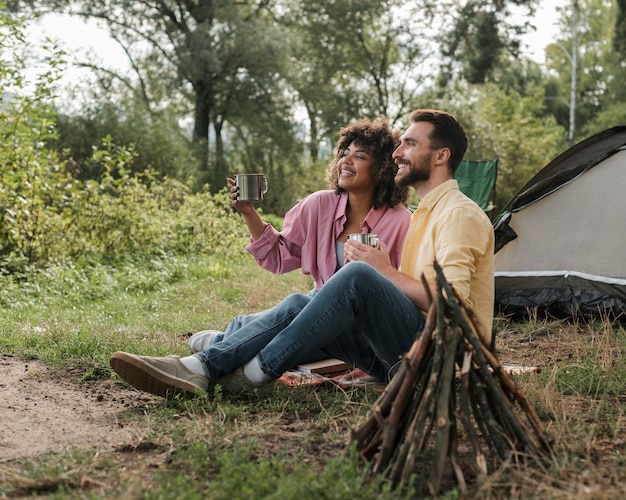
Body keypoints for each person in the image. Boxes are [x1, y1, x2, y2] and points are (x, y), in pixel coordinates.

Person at [110, 109, 494, 400]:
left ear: (440, 155)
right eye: (399, 144)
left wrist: (385, 273)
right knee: (306, 300)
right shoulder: (425, 213)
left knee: (354, 279)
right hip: (394, 354)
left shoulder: (454, 215)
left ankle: (247, 370)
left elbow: (454, 302)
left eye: (409, 144)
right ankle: (202, 366)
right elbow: (281, 256)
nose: (398, 152)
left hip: (439, 363)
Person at [186, 117, 412, 354]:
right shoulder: (318, 205)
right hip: (315, 311)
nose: (346, 160)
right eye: (345, 152)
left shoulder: (401, 222)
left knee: (286, 334)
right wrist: (248, 212)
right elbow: (278, 256)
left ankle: (226, 339)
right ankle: (232, 337)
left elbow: (402, 293)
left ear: (382, 169)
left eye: (360, 156)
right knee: (293, 315)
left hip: (366, 328)